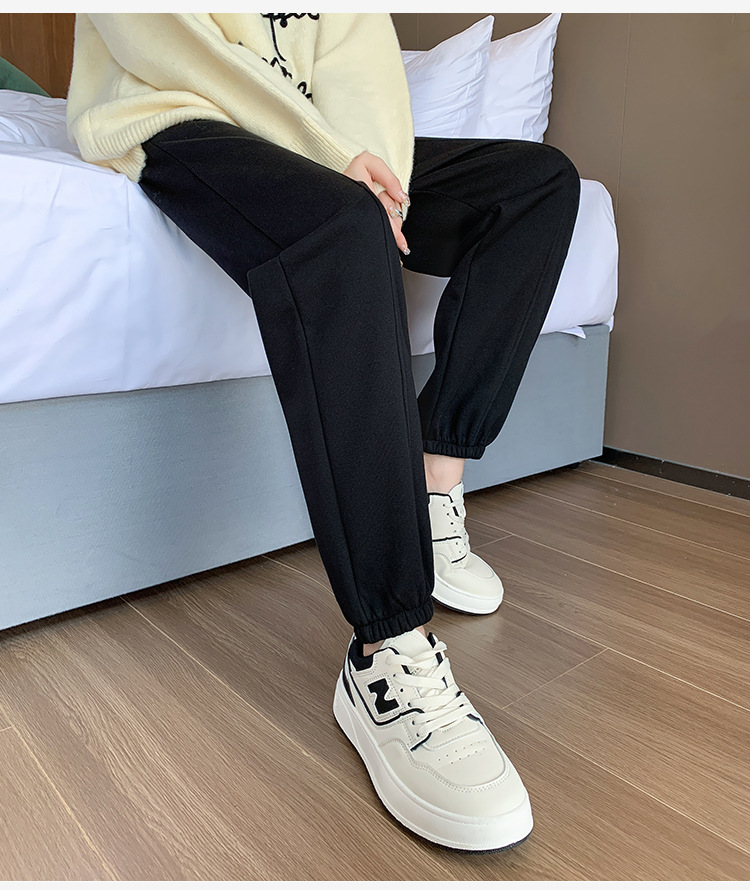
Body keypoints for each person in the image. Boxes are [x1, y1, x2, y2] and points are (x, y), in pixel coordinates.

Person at [67, 13, 580, 853]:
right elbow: (161, 39)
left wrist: (376, 172)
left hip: (320, 141)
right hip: (182, 114)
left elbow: (359, 61)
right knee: (342, 227)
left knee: (538, 182)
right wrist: (332, 158)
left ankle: (434, 482)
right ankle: (388, 645)